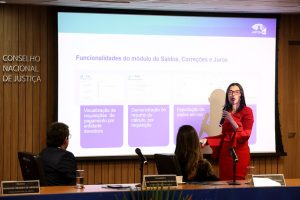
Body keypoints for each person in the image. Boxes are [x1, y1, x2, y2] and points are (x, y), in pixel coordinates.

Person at [201, 83, 254, 180]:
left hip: (239, 154)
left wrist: (231, 119)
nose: (233, 95)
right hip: (225, 154)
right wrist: (207, 140)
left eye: (236, 92)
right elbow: (225, 136)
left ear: (241, 95)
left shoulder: (247, 111)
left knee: (238, 183)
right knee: (224, 182)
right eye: (230, 92)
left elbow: (246, 135)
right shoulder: (227, 111)